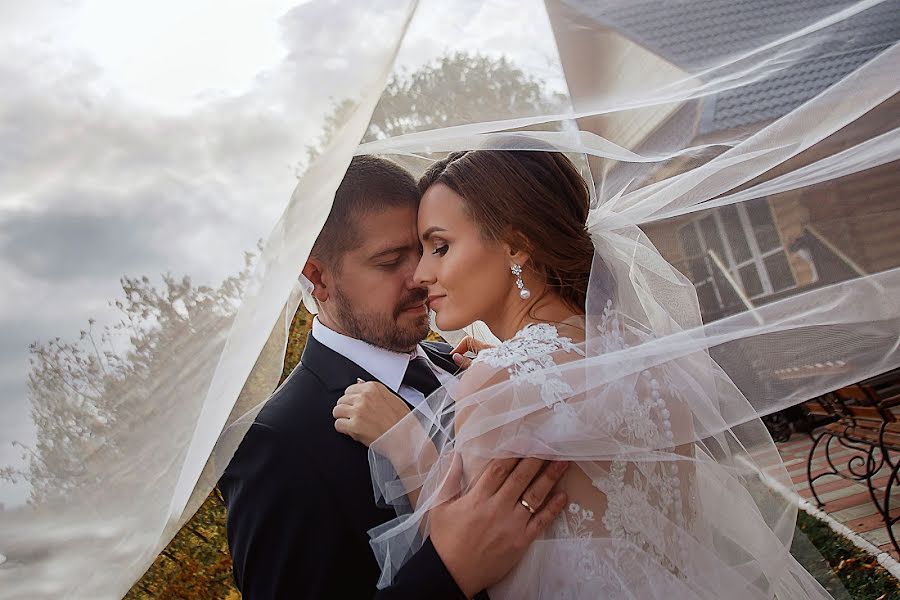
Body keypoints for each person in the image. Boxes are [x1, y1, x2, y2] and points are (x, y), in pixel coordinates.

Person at [334, 149, 838, 599]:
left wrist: (407, 447)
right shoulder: (639, 353)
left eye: (439, 246)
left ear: (515, 246)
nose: (422, 274)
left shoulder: (496, 382)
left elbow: (473, 563)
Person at [218, 155, 569, 599]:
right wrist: (449, 571)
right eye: (389, 261)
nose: (421, 277)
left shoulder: (482, 368)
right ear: (317, 277)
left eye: (427, 249)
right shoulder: (278, 442)